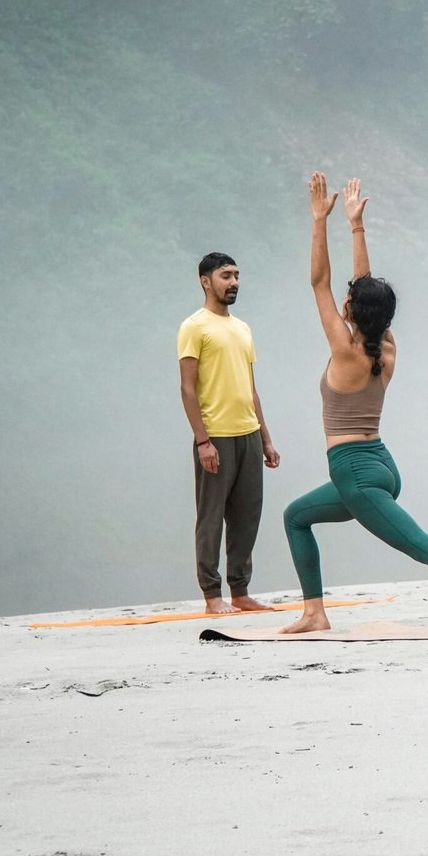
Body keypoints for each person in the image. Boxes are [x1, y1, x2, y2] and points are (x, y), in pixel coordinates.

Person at [278, 174, 428, 634]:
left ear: (351, 310)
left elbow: (319, 282)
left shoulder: (345, 352)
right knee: (296, 517)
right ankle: (314, 612)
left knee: (419, 545)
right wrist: (355, 226)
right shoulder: (385, 344)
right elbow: (361, 286)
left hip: (355, 473)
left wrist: (317, 221)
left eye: (348, 299)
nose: (343, 298)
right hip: (380, 466)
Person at [178, 251, 280, 614]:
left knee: (247, 516)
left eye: (236, 275)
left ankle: (241, 592)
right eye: (226, 276)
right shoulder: (194, 326)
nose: (234, 282)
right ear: (206, 281)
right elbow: (188, 388)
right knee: (211, 517)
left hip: (248, 434)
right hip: (216, 436)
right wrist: (202, 440)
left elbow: (250, 388)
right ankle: (211, 596)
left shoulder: (242, 328)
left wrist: (265, 438)